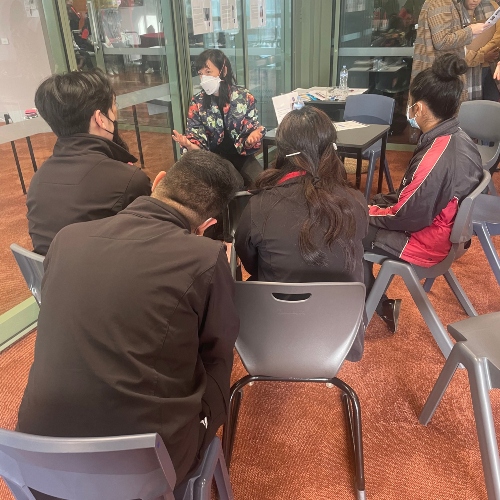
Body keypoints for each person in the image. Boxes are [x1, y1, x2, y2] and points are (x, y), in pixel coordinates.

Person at [17, 150, 240, 487]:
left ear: (158, 181)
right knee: (219, 361)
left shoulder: (66, 238)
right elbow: (216, 348)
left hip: (37, 461)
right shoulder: (206, 257)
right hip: (146, 469)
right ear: (207, 225)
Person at [234, 106, 368, 361]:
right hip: (341, 337)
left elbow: (249, 261)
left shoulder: (259, 206)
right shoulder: (356, 201)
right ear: (331, 149)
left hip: (273, 336)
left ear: (282, 151)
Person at [365, 53, 483, 332]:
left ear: (418, 108)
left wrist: (364, 212)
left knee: (351, 230)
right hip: (450, 234)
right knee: (370, 207)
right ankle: (373, 298)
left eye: (410, 103)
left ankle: (373, 304)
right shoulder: (460, 138)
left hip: (428, 242)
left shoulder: (436, 157)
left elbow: (405, 216)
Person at [26, 70, 151, 255]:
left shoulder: (39, 179)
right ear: (100, 119)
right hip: (106, 272)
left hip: (48, 272)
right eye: (114, 108)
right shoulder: (128, 179)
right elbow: (151, 243)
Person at [172, 49, 265, 188]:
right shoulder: (197, 102)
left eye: (208, 72)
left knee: (262, 182)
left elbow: (251, 130)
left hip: (241, 156)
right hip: (214, 161)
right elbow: (198, 144)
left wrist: (251, 138)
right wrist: (189, 145)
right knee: (234, 183)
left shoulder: (244, 97)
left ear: (224, 71)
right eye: (201, 74)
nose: (204, 78)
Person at [411, 0, 495, 100]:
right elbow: (441, 41)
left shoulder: (447, 2)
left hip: (441, 75)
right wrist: (471, 31)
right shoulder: (441, 2)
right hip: (439, 76)